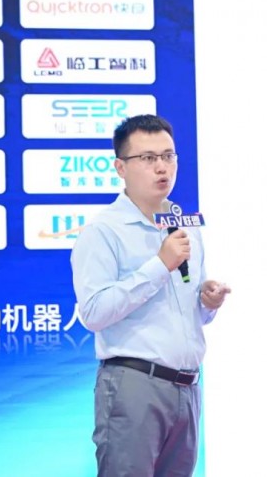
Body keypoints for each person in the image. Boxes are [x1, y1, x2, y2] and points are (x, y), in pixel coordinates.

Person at [70, 114, 231, 477]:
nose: (162, 167)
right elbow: (93, 313)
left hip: (188, 386)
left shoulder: (183, 224)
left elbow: (188, 309)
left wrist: (208, 302)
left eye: (168, 156)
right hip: (134, 385)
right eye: (148, 158)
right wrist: (159, 265)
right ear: (120, 167)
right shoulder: (103, 231)